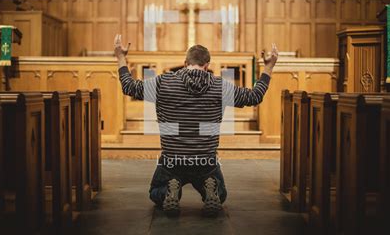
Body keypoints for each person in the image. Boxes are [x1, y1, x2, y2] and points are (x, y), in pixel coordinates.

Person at [114, 34, 278, 217]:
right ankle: (210, 186)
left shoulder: (164, 82)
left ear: (185, 63)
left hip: (172, 159)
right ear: (207, 65)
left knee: (155, 193)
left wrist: (121, 57)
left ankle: (170, 188)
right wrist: (268, 67)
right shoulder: (220, 85)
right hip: (206, 160)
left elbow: (129, 87)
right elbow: (254, 96)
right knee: (221, 195)